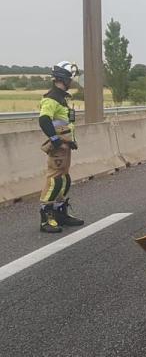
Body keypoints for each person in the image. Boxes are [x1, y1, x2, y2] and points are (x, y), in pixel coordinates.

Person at [38, 61, 84, 233]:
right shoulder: (51, 98)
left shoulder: (62, 97)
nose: (72, 81)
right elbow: (44, 119)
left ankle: (60, 213)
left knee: (65, 179)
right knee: (55, 180)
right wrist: (55, 139)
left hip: (65, 146)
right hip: (58, 147)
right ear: (64, 78)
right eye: (70, 78)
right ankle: (46, 218)